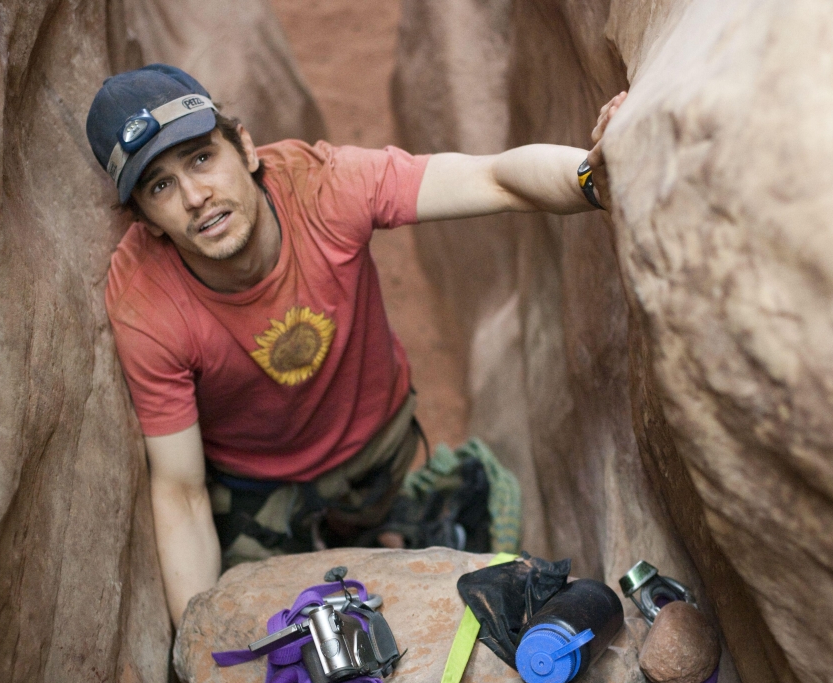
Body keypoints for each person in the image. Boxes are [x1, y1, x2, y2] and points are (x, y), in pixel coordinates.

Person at [85, 64, 624, 625]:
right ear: (145, 220)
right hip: (254, 483)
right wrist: (193, 647)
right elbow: (180, 492)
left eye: (201, 157)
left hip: (373, 442)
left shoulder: (323, 187)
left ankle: (384, 529)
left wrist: (589, 176)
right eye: (160, 185)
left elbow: (496, 179)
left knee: (379, 544)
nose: (196, 196)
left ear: (244, 147)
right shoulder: (145, 304)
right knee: (270, 626)